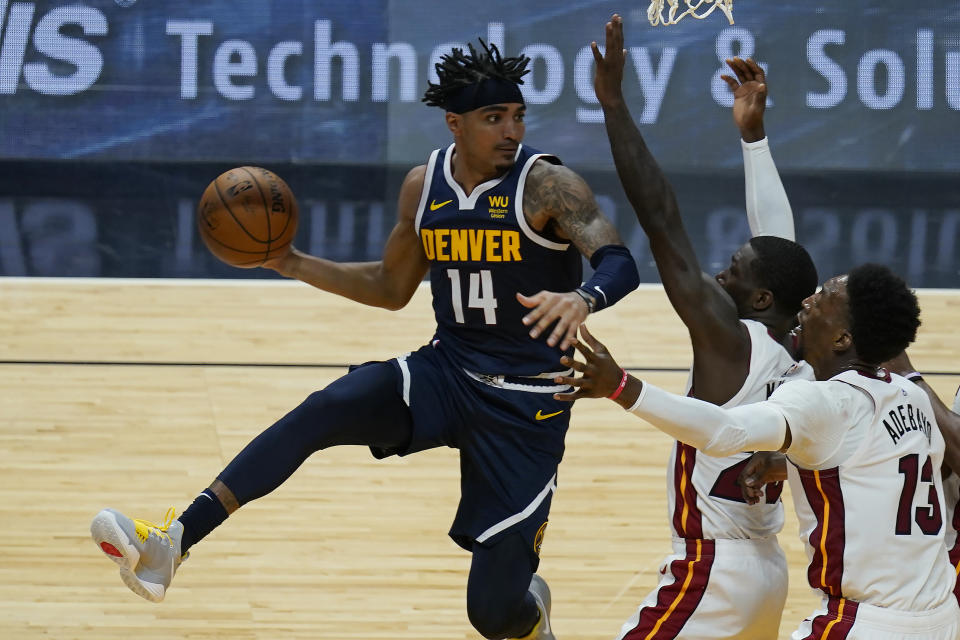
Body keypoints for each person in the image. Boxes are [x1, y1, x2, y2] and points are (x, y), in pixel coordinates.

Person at [89, 40, 640, 640]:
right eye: (493, 118)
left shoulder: (548, 187)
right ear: (455, 124)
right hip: (448, 373)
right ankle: (173, 542)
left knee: (493, 614)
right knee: (325, 409)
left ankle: (528, 612)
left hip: (527, 402)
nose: (511, 130)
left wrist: (584, 297)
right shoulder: (422, 187)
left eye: (518, 116)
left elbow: (619, 262)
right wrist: (293, 262)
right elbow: (390, 287)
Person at [556, 263, 960, 639]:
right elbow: (881, 466)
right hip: (941, 614)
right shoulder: (911, 395)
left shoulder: (825, 401)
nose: (807, 302)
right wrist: (789, 464)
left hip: (865, 623)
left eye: (822, 300)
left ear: (842, 338)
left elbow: (725, 431)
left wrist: (623, 387)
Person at [591, 15, 817, 639]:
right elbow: (778, 241)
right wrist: (754, 140)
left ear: (763, 296)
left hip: (710, 571)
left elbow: (661, 218)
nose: (719, 277)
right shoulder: (801, 348)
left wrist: (613, 104)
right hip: (768, 574)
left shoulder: (730, 337)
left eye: (735, 272)